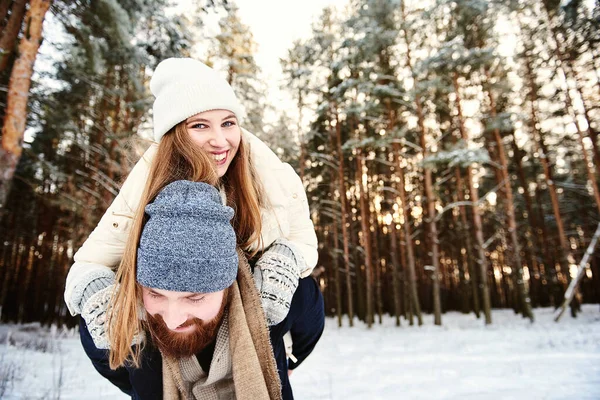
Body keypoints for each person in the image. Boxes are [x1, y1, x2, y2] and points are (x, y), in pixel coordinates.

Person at [64, 58, 324, 399]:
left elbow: (303, 247)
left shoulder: (270, 178)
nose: (220, 140)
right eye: (200, 125)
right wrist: (105, 310)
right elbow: (90, 263)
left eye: (228, 123)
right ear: (174, 134)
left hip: (248, 319)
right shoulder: (146, 186)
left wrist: (284, 264)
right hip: (163, 343)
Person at [109, 179, 281, 399]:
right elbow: (114, 369)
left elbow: (310, 321)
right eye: (155, 293)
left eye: (195, 297)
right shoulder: (127, 332)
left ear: (226, 287)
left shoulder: (267, 303)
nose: (172, 320)